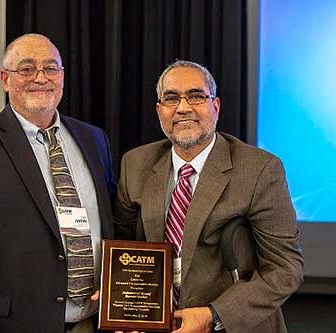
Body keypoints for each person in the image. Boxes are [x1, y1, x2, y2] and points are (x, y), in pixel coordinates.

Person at [0, 33, 115, 333]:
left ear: (63, 77)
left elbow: (111, 230)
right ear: (5, 79)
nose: (41, 78)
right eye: (27, 69)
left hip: (90, 323)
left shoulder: (94, 140)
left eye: (51, 68)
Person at [114, 60, 303, 333]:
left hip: (232, 326)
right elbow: (125, 246)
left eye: (195, 96)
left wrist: (213, 315)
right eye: (171, 98)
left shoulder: (260, 169)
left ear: (215, 106)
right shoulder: (135, 164)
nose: (183, 108)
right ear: (159, 111)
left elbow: (285, 268)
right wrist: (119, 299)